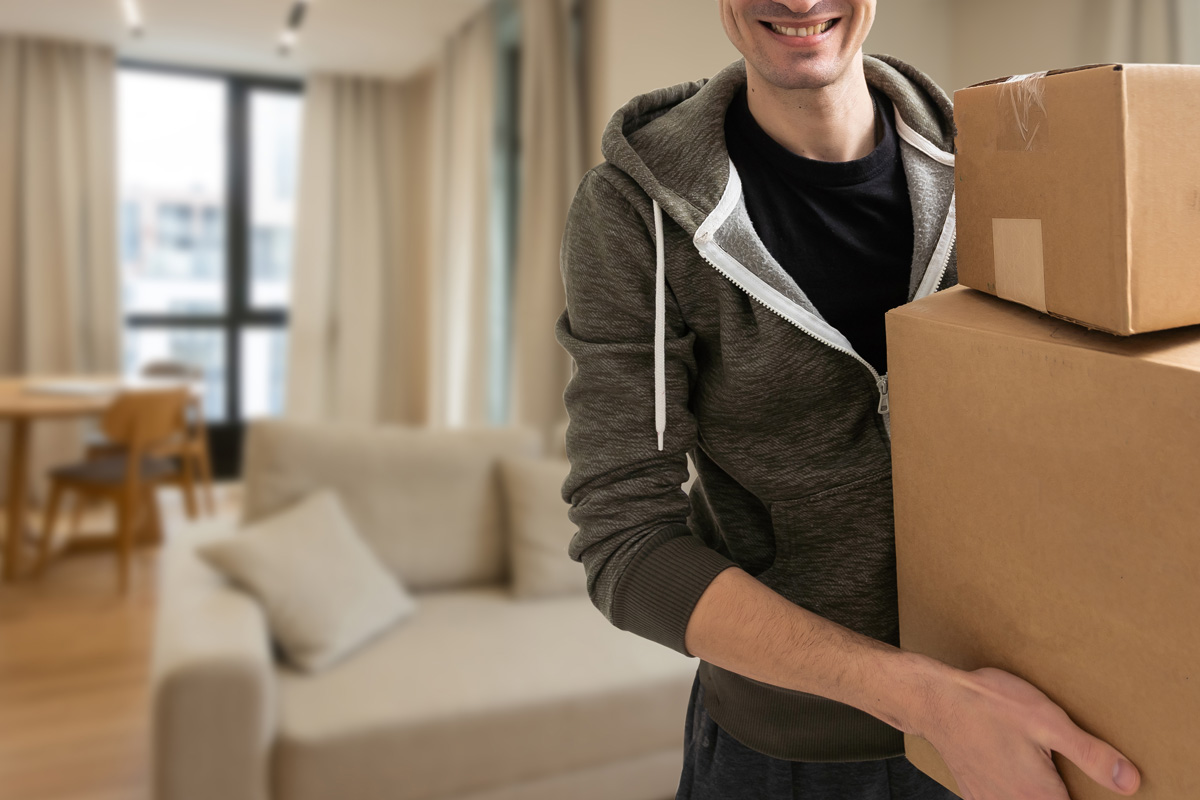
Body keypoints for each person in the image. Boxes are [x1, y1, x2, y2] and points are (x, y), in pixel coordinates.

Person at [554, 1, 1144, 799]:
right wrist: (927, 700)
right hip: (786, 756)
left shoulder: (1002, 159)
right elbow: (625, 542)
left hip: (1027, 725)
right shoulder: (633, 210)